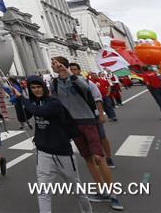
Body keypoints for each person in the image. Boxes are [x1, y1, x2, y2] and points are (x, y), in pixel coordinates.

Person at [9, 76, 92, 213]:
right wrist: (18, 101)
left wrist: (22, 98)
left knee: (76, 188)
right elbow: (22, 117)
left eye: (39, 87)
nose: (36, 90)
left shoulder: (54, 102)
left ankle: (87, 211)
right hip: (43, 153)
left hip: (62, 152)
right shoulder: (34, 102)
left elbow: (39, 112)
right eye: (33, 88)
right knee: (43, 192)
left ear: (44, 87)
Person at [50, 57, 121, 210]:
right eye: (52, 64)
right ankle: (101, 191)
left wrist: (68, 72)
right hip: (72, 124)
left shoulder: (79, 80)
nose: (54, 66)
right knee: (88, 158)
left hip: (88, 121)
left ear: (64, 65)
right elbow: (54, 102)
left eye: (56, 63)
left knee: (98, 157)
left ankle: (113, 194)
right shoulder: (54, 83)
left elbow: (87, 89)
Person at [69, 64, 115, 169]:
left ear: (79, 71)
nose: (72, 72)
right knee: (87, 139)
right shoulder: (68, 85)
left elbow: (98, 99)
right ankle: (94, 156)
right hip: (79, 118)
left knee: (102, 136)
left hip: (93, 115)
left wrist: (101, 114)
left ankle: (108, 157)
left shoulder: (88, 83)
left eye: (74, 70)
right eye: (70, 70)